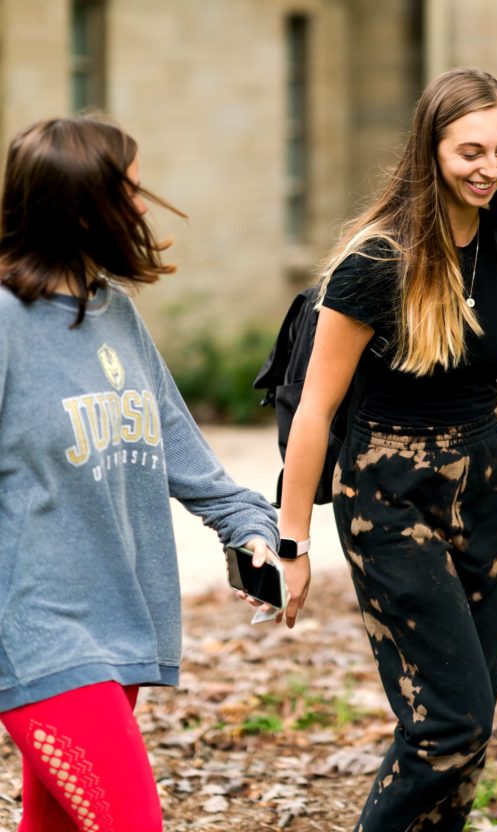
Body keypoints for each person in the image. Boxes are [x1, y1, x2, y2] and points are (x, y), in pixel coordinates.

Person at [274, 67, 497, 832]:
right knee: (447, 726)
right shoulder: (376, 262)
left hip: (482, 489)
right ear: (430, 150)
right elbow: (316, 407)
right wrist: (292, 541)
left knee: (467, 736)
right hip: (387, 496)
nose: (490, 168)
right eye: (470, 151)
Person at [0, 116, 279, 831]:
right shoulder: (4, 323)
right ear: (78, 207)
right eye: (128, 190)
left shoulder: (114, 315)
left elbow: (188, 459)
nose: (143, 205)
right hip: (39, 638)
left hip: (121, 627)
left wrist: (251, 529)